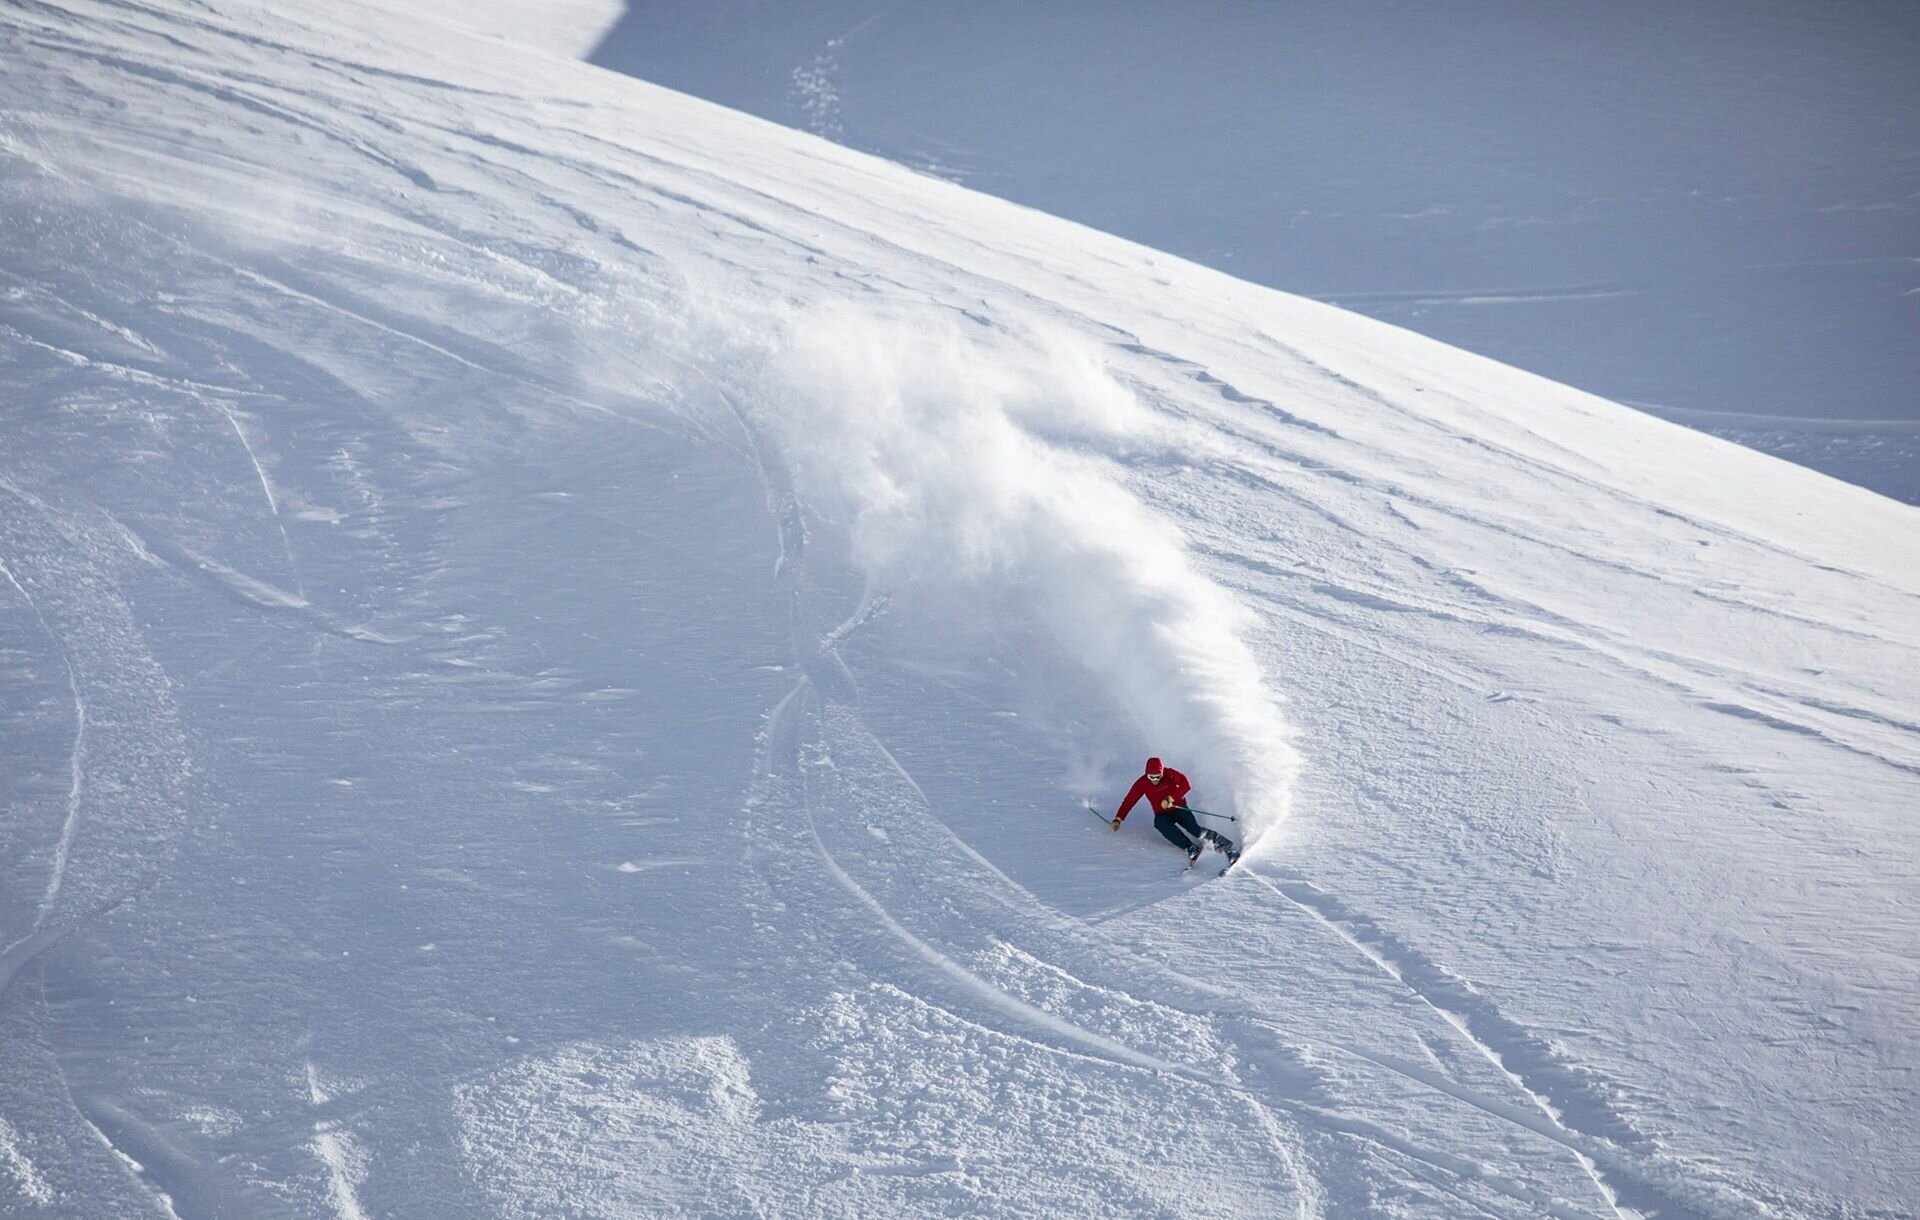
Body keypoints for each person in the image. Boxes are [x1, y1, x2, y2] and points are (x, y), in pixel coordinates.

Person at [1110, 757, 1238, 866]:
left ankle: (1228, 848)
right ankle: (1190, 847)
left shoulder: (1169, 773)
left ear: (1161, 772)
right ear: (1146, 774)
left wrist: (1171, 798)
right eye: (1151, 777)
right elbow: (1129, 801)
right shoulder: (1142, 783)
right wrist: (1118, 819)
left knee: (1195, 830)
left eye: (1157, 776)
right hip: (1162, 814)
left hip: (1179, 808)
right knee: (1160, 823)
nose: (1154, 780)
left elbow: (1186, 784)